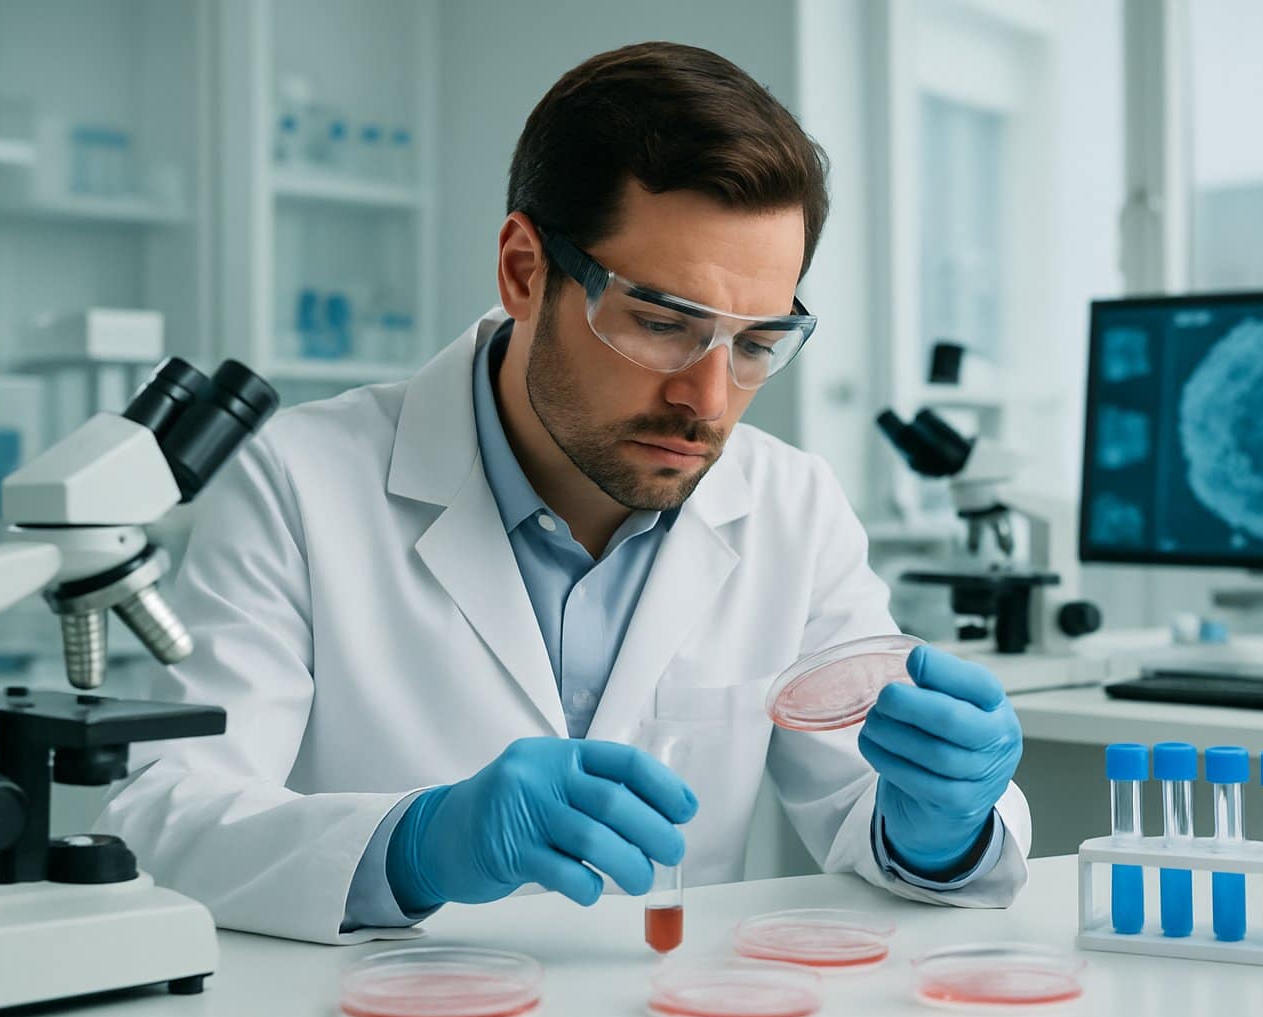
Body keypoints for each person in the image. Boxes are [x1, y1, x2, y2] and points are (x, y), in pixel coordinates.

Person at [99, 41, 1030, 944]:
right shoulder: (297, 481)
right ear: (524, 270)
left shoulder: (794, 507)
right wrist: (415, 846)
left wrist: (943, 827)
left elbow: (867, 806)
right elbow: (165, 816)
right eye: (662, 323)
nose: (708, 400)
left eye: (755, 344)